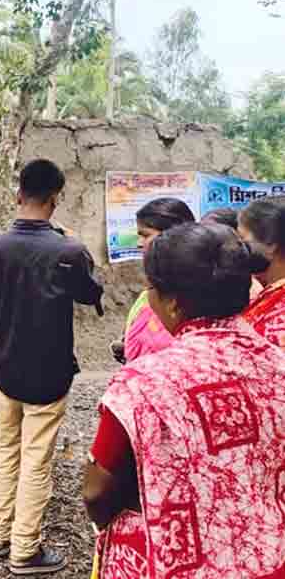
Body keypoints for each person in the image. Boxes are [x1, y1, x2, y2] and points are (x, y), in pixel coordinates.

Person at [83, 223, 285, 578]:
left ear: (173, 303)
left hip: (173, 562)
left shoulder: (144, 384)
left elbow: (96, 492)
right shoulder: (276, 362)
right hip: (270, 556)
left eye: (151, 291)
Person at [0, 159, 103, 574]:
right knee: (36, 459)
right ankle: (24, 550)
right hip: (48, 371)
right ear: (55, 199)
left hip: (5, 364)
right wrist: (76, 242)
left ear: (18, 195)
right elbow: (90, 294)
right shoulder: (68, 250)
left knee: (6, 448)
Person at [113, 198, 195, 364]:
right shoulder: (151, 291)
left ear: (170, 235)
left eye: (145, 235)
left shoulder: (190, 290)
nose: (139, 243)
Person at [239, 197, 285, 346]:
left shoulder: (279, 308)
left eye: (243, 240)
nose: (240, 249)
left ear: (271, 245)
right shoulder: (272, 292)